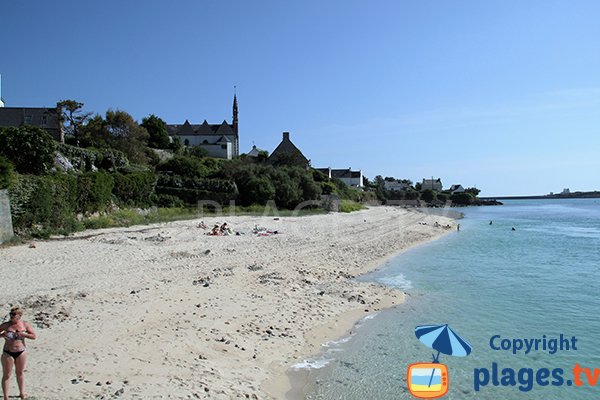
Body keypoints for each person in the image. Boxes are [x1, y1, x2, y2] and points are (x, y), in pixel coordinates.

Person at [1, 307, 36, 400]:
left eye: (13, 315)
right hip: (8, 352)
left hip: (21, 351)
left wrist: (24, 334)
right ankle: (5, 397)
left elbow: (33, 336)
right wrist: (3, 335)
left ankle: (21, 393)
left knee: (20, 373)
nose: (11, 317)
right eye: (10, 314)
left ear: (19, 316)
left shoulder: (24, 324)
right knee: (7, 374)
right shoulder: (6, 325)